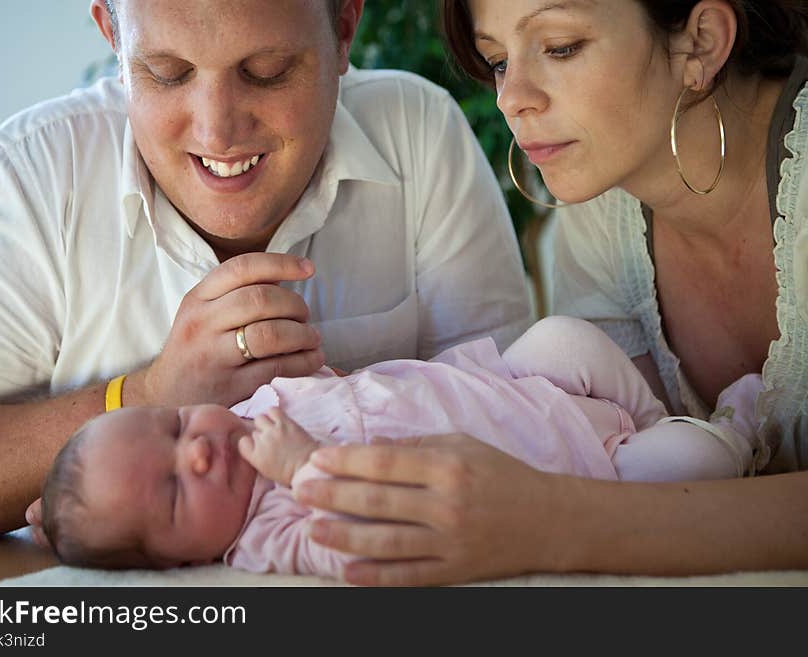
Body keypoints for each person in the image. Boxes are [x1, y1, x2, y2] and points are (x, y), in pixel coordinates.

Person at [0, 0, 533, 541]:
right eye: (167, 72)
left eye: (266, 70)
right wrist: (147, 396)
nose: (217, 130)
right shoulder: (21, 182)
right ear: (113, 35)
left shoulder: (416, 134)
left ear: (345, 25)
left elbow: (517, 417)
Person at [288, 0, 808, 586]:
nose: (511, 98)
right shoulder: (604, 213)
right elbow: (622, 455)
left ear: (702, 42)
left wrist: (553, 522)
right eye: (499, 60)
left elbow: (597, 506)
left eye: (560, 47)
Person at [39, 316, 762, 576]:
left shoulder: (252, 408)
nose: (195, 451)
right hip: (588, 473)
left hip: (510, 384)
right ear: (179, 561)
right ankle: (734, 429)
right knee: (694, 465)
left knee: (563, 336)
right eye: (172, 491)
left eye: (172, 428)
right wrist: (303, 468)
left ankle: (659, 412)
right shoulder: (268, 536)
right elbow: (357, 544)